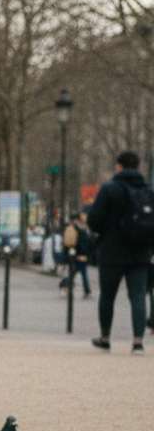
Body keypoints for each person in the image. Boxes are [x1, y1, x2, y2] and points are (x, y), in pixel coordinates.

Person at [86, 150, 153, 354]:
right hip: (140, 252)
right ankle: (137, 342)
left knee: (107, 296)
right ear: (138, 166)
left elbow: (94, 220)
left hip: (112, 250)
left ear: (119, 166)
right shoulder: (148, 190)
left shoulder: (109, 189)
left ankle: (105, 337)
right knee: (138, 296)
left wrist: (104, 231)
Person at [60, 212, 92, 298]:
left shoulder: (79, 228)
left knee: (73, 274)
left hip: (78, 255)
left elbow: (70, 244)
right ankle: (86, 291)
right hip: (79, 256)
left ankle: (65, 287)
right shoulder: (80, 229)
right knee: (78, 274)